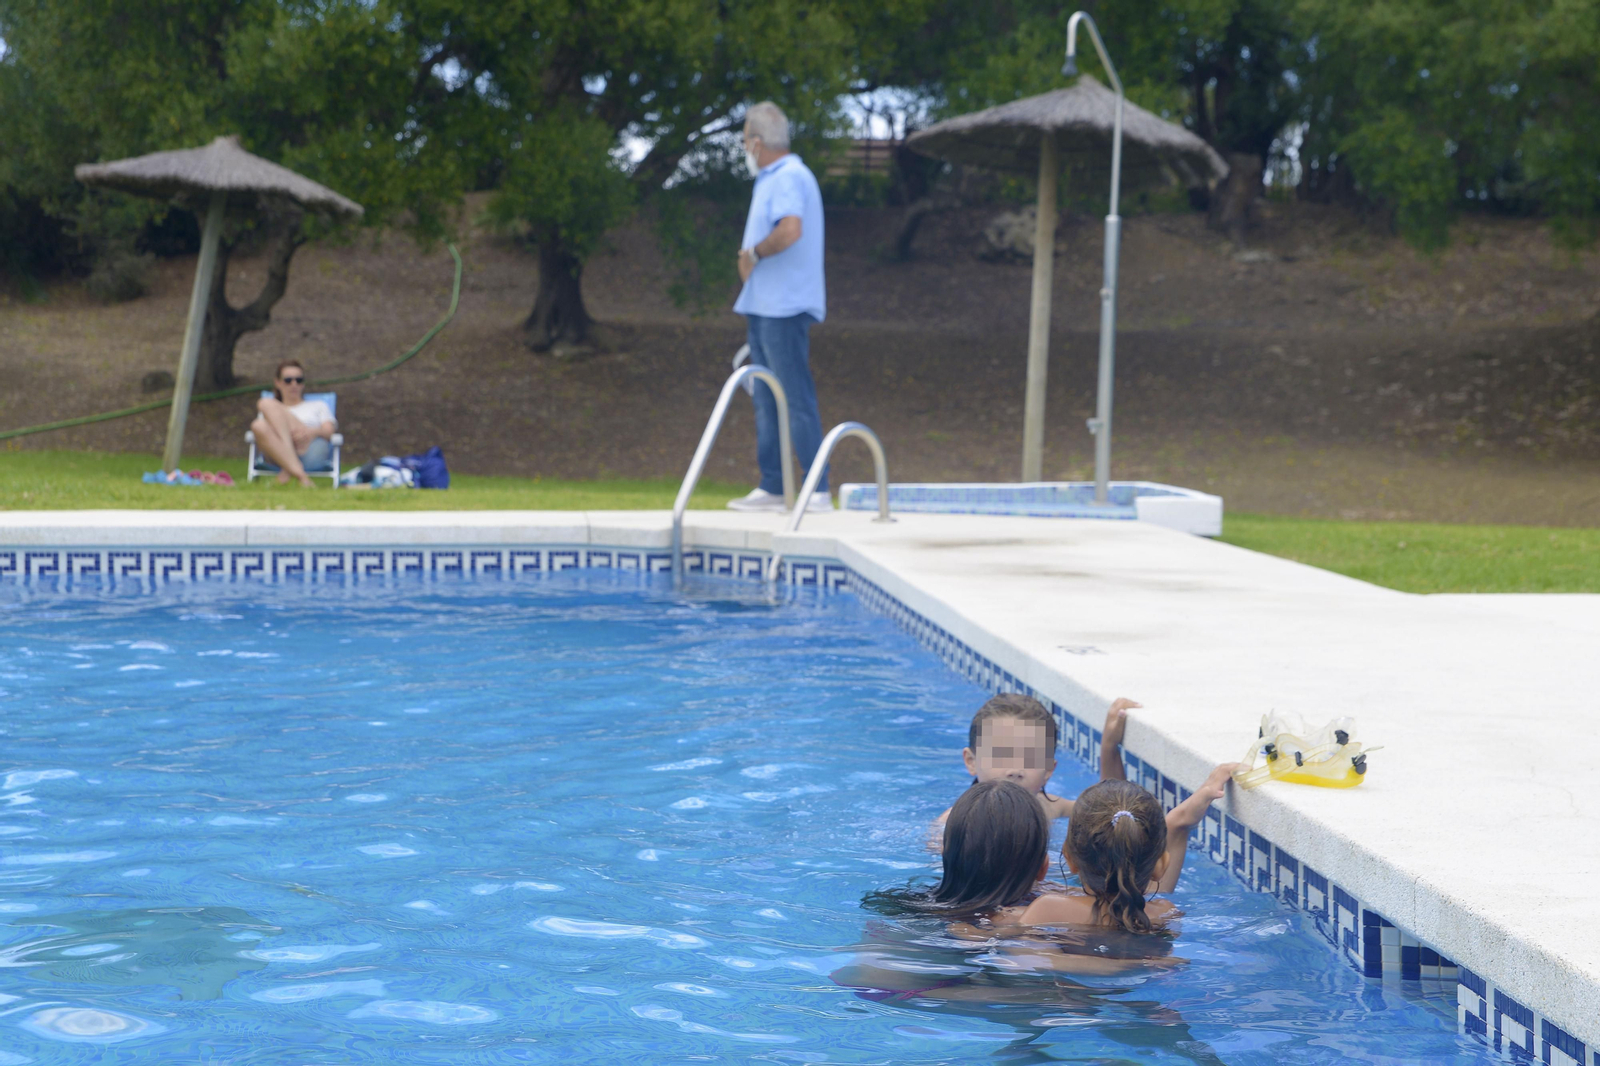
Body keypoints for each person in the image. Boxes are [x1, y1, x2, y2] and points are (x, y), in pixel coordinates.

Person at [727, 101, 830, 514]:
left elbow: (790, 230)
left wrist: (752, 254)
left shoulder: (788, 176)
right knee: (766, 398)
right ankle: (773, 485)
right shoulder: (773, 177)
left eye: (744, 143)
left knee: (795, 396)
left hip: (784, 308)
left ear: (756, 142)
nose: (744, 151)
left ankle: (817, 489)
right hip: (766, 305)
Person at [931, 694, 1141, 834]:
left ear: (1048, 770)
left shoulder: (1049, 806)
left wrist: (1108, 747)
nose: (1015, 770)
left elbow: (1111, 812)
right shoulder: (953, 825)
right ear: (971, 762)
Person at [250, 359, 336, 487]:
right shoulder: (271, 408)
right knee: (259, 421)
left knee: (265, 404)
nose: (294, 384)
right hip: (277, 455)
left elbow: (329, 431)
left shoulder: (318, 406)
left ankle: (289, 468)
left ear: (303, 384)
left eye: (299, 380)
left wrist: (312, 431)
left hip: (309, 450)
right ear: (277, 383)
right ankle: (300, 474)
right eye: (288, 380)